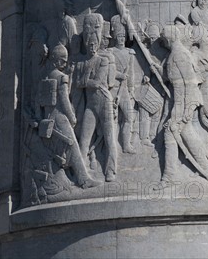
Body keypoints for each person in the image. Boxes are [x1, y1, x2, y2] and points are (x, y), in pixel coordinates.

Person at [36, 44, 102, 188]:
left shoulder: (44, 77)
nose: (65, 64)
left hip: (48, 117)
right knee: (73, 146)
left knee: (60, 148)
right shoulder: (61, 78)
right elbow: (64, 100)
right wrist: (72, 117)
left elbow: (38, 101)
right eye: (63, 61)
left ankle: (70, 177)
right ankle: (83, 180)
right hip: (60, 117)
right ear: (56, 60)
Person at [160, 25, 208, 183]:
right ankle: (206, 167)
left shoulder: (179, 55)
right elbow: (170, 77)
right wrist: (157, 69)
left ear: (170, 39)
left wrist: (187, 109)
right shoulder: (175, 54)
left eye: (164, 41)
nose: (163, 44)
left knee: (170, 131)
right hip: (180, 101)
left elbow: (190, 83)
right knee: (187, 133)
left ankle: (170, 176)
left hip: (184, 101)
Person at [72, 13, 119, 181]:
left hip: (104, 101)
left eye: (94, 44)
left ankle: (110, 171)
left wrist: (84, 81)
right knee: (84, 140)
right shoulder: (81, 63)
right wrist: (85, 82)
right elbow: (78, 85)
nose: (92, 46)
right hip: (91, 105)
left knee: (109, 138)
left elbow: (98, 82)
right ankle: (82, 174)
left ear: (98, 44)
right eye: (89, 44)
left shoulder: (103, 61)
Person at [109, 15, 137, 154]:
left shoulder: (130, 52)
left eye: (123, 36)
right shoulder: (110, 52)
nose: (121, 39)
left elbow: (131, 73)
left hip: (125, 89)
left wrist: (131, 89)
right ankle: (111, 145)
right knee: (111, 118)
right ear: (115, 36)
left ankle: (126, 145)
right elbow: (108, 72)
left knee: (129, 116)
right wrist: (120, 75)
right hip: (113, 89)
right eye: (119, 36)